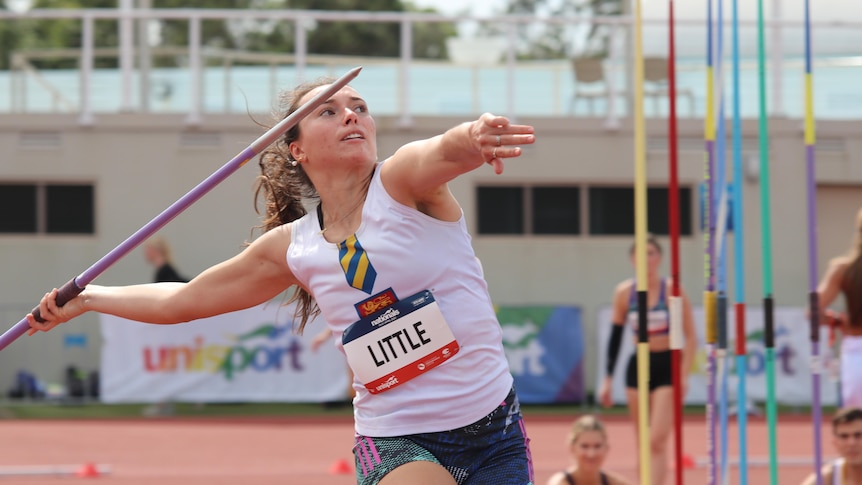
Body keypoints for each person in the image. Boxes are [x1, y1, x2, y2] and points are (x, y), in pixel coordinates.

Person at [27, 76, 536, 485]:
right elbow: (183, 299)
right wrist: (91, 297)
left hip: (495, 427)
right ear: (296, 150)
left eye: (359, 106)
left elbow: (442, 151)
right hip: (399, 437)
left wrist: (473, 136)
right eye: (329, 112)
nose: (351, 115)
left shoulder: (402, 184)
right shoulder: (294, 248)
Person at [597, 235, 697, 485]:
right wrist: (608, 380)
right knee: (643, 441)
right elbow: (616, 337)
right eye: (641, 254)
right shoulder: (624, 293)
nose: (646, 258)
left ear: (659, 258)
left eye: (651, 253)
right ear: (632, 259)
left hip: (667, 365)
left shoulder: (673, 290)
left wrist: (683, 374)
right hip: (638, 366)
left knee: (657, 439)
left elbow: (691, 336)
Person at [817, 207, 862, 409]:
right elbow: (814, 309)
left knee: (852, 421)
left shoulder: (843, 269)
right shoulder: (843, 270)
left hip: (855, 349)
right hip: (855, 349)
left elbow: (814, 310)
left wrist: (836, 320)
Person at [545, 415, 632, 485]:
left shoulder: (618, 483)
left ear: (607, 448)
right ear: (572, 448)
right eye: (584, 446)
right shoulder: (558, 483)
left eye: (597, 446)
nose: (591, 454)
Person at [801, 406, 862, 485]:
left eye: (858, 435)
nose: (851, 443)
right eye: (844, 436)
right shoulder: (826, 478)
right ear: (835, 442)